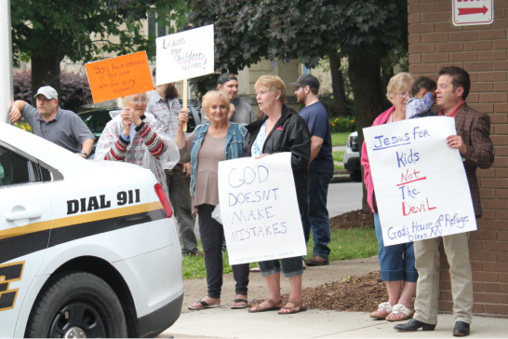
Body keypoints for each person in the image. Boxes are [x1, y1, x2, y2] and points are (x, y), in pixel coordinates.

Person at [395, 66, 494, 337]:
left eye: (443, 86)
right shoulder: (427, 118)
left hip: (456, 204)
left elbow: (486, 157)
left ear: (458, 91)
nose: (436, 91)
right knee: (424, 260)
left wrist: (464, 148)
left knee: (457, 261)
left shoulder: (474, 119)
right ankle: (424, 316)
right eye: (437, 86)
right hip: (426, 202)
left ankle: (463, 319)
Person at [176, 90, 250, 310]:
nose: (219, 111)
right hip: (205, 196)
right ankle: (213, 294)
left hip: (233, 197)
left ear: (228, 109)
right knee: (210, 246)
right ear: (206, 111)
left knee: (237, 245)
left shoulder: (240, 132)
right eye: (214, 107)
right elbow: (181, 155)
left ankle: (241, 292)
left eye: (222, 107)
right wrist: (180, 129)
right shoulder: (199, 132)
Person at [244, 75, 310, 315]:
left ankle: (295, 297)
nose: (257, 97)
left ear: (277, 94)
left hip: (286, 196)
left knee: (288, 244)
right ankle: (274, 297)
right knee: (265, 243)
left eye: (262, 92)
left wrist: (273, 161)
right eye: (257, 93)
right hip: (261, 198)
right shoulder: (258, 126)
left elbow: (301, 158)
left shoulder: (293, 122)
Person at [361, 72, 418, 322]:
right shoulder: (379, 123)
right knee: (388, 247)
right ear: (391, 96)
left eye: (411, 92)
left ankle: (406, 301)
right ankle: (392, 300)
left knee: (415, 248)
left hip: (416, 195)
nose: (407, 97)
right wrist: (373, 187)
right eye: (402, 93)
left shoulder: (422, 121)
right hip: (386, 197)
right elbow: (366, 160)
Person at [147, 70, 200, 256]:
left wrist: (185, 157)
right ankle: (163, 250)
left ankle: (190, 247)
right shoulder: (148, 103)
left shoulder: (176, 102)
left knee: (183, 204)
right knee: (160, 207)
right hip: (158, 161)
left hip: (177, 160)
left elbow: (183, 131)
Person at [291, 74, 334, 266]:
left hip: (316, 169)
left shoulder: (316, 112)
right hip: (310, 168)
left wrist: (302, 163)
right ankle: (299, 252)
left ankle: (321, 252)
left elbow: (316, 143)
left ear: (307, 89)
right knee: (304, 210)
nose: (295, 92)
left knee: (315, 209)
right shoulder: (309, 111)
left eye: (298, 88)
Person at [95, 92, 172, 195]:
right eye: (135, 99)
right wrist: (125, 135)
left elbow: (159, 150)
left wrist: (139, 124)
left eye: (144, 99)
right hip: (125, 190)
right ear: (125, 102)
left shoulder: (152, 123)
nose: (140, 104)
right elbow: (108, 163)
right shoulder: (114, 126)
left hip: (151, 187)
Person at [9, 85, 94, 158]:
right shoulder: (34, 115)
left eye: (46, 99)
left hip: (69, 168)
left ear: (55, 102)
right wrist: (16, 108)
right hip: (45, 170)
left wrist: (83, 154)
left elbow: (88, 138)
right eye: (39, 99)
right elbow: (21, 103)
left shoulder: (69, 117)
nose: (41, 103)